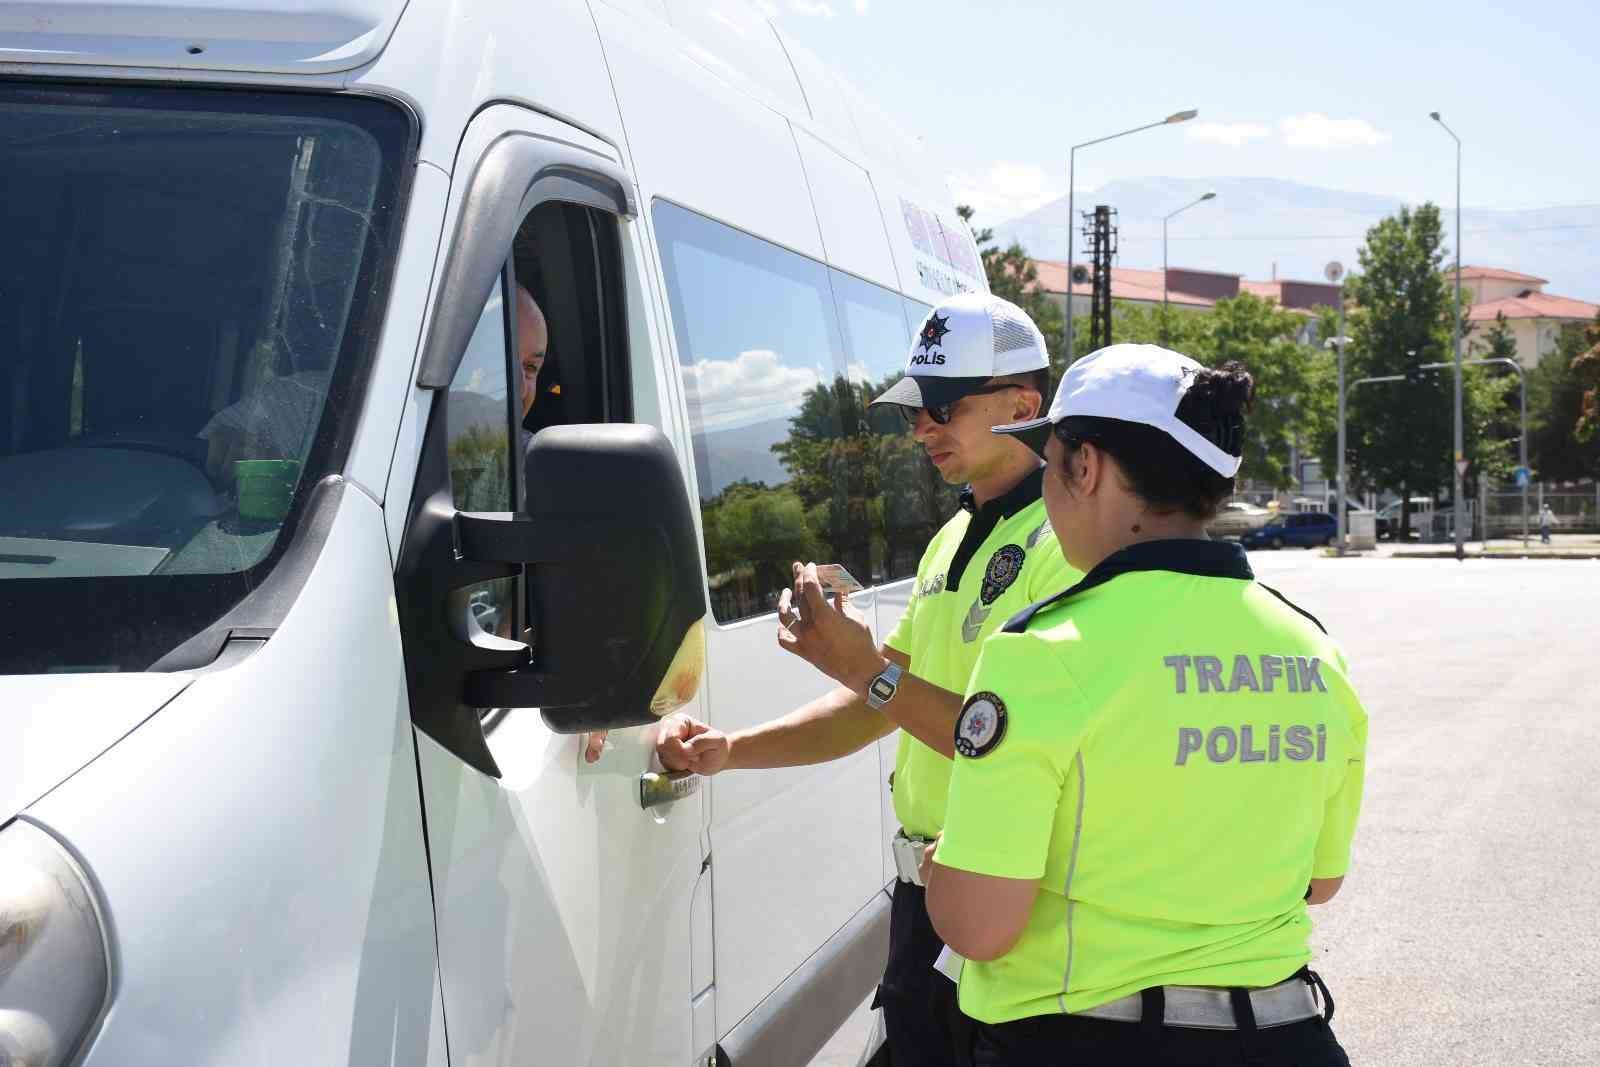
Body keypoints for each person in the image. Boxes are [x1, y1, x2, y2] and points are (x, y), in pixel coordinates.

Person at [904, 344, 1367, 1065]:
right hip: (1287, 1037)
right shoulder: (1312, 648)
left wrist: (949, 870)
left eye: (1050, 461)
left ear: (1084, 467)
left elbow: (979, 927)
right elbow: (1321, 878)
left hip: (1089, 1041)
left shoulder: (1040, 650)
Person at [655, 293, 1081, 1064]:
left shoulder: (1063, 541)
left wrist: (863, 667)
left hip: (1010, 903)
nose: (921, 428)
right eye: (914, 410)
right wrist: (732, 747)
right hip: (926, 900)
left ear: (1024, 404)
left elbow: (1007, 743)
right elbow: (879, 707)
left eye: (943, 406)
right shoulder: (953, 537)